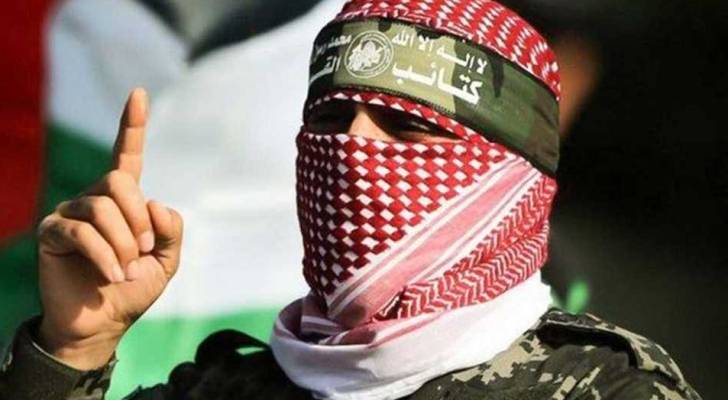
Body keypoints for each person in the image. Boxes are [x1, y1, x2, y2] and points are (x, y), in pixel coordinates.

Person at [0, 1, 701, 399]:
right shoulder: (229, 389)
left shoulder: (603, 390)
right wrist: (73, 348)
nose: (353, 148)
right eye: (332, 120)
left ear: (504, 177)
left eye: (405, 128)